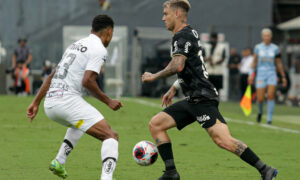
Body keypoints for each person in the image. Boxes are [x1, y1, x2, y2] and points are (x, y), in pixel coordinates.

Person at [142, 1, 278, 179]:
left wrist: (154, 76)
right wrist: (174, 87)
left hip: (203, 99)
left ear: (176, 14)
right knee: (156, 124)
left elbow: (178, 65)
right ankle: (171, 173)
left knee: (223, 140)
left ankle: (265, 169)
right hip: (193, 99)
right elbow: (194, 66)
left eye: (165, 13)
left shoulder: (182, 36)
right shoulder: (188, 33)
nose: (163, 18)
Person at [27, 15, 123, 180]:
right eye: (111, 34)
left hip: (51, 104)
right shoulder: (99, 48)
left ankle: (59, 160)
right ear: (108, 32)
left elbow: (52, 75)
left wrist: (36, 102)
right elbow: (88, 81)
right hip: (67, 102)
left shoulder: (75, 45)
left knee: (80, 122)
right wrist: (109, 101)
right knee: (111, 136)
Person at [248, 28, 287, 124]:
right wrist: (251, 74)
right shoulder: (258, 48)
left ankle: (269, 119)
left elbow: (279, 63)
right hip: (261, 74)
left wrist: (283, 76)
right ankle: (260, 112)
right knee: (260, 98)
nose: (267, 37)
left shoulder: (275, 48)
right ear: (262, 37)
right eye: (265, 36)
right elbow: (254, 62)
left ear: (271, 37)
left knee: (270, 95)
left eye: (268, 36)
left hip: (271, 74)